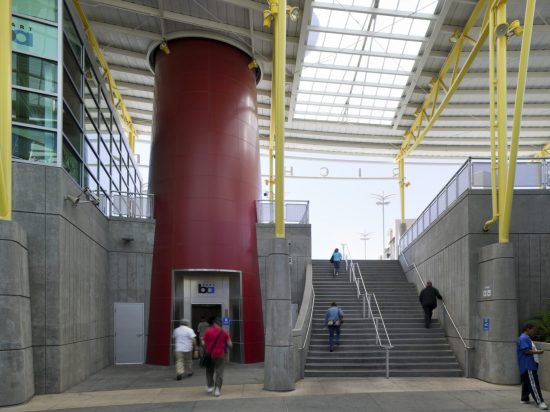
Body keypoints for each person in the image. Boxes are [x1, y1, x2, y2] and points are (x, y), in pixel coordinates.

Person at [517, 323, 547, 410]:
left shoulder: (526, 338)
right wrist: (538, 352)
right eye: (534, 330)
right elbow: (526, 351)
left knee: (527, 382)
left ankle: (524, 398)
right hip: (528, 365)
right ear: (528, 329)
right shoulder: (524, 338)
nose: (535, 332)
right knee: (534, 383)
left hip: (529, 364)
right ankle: (540, 401)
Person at [202, 317, 232, 397]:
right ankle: (217, 390)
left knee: (209, 371)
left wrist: (206, 347)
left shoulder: (208, 331)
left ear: (214, 324)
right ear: (220, 324)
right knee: (219, 372)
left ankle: (210, 386)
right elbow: (230, 344)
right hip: (220, 355)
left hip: (210, 354)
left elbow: (203, 342)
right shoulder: (225, 332)